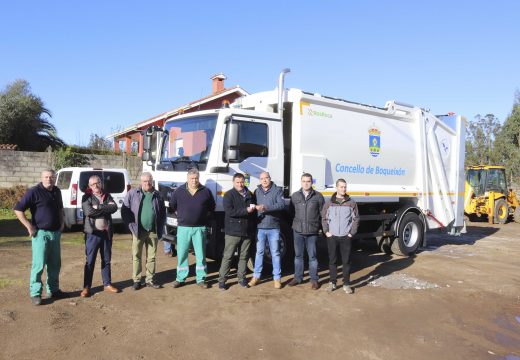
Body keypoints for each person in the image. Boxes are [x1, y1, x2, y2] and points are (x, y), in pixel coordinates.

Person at [14, 169, 67, 305]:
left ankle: (53, 290)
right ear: (42, 178)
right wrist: (29, 226)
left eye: (51, 177)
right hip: (40, 234)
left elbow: (60, 209)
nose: (49, 179)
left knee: (55, 264)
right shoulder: (34, 192)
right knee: (39, 265)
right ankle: (35, 293)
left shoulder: (57, 191)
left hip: (55, 233)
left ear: (55, 178)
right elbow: (18, 209)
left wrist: (61, 223)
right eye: (46, 177)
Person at [169, 168, 216, 289]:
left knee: (200, 255)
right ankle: (180, 278)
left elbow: (212, 207)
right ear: (187, 178)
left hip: (199, 228)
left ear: (199, 178)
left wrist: (203, 218)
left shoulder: (206, 191)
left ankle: (201, 279)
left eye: (196, 178)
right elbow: (172, 205)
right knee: (182, 254)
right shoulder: (179, 191)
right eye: (192, 178)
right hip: (183, 228)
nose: (194, 181)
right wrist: (180, 216)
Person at [122, 172, 166, 290]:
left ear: (152, 181)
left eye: (149, 181)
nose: (147, 183)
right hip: (138, 231)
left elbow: (162, 213)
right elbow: (125, 211)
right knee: (136, 256)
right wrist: (130, 226)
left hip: (153, 231)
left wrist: (160, 227)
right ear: (141, 182)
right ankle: (136, 280)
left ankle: (149, 280)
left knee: (151, 257)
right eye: (145, 181)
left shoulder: (158, 195)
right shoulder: (132, 194)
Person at [80, 175, 120, 297]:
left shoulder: (107, 195)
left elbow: (114, 208)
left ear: (101, 183)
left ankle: (107, 284)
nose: (95, 186)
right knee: (90, 261)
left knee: (106, 260)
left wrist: (99, 207)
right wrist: (105, 209)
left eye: (97, 183)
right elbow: (88, 212)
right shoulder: (86, 197)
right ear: (89, 186)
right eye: (92, 184)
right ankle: (86, 287)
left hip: (106, 233)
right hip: (93, 234)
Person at [217, 173, 256, 290]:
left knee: (244, 257)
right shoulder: (228, 195)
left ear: (245, 182)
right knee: (228, 256)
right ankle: (222, 280)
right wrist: (246, 210)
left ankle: (242, 279)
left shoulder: (250, 194)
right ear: (233, 183)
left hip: (247, 231)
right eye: (237, 182)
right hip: (232, 232)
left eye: (242, 182)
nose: (240, 184)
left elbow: (253, 213)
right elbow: (230, 212)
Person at [321, 178, 360, 294]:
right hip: (332, 236)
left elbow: (356, 219)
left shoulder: (351, 203)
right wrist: (326, 231)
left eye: (345, 187)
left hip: (345, 237)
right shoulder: (329, 203)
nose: (343, 189)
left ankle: (346, 284)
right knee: (332, 261)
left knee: (346, 261)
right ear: (336, 187)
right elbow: (324, 218)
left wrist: (351, 233)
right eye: (341, 187)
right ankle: (332, 282)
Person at [288, 173, 325, 290]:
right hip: (298, 231)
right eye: (304, 181)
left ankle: (314, 280)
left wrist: (321, 228)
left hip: (312, 232)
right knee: (298, 256)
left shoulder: (318, 196)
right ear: (301, 182)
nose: (306, 183)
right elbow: (291, 212)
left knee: (312, 256)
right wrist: (296, 224)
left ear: (312, 182)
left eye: (308, 181)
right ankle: (298, 278)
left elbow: (322, 214)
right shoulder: (295, 196)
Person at [249, 171, 285, 289]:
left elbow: (281, 205)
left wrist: (266, 208)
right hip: (260, 227)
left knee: (275, 253)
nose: (264, 180)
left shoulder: (277, 190)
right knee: (259, 253)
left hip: (273, 227)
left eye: (266, 178)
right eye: (262, 179)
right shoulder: (257, 191)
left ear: (270, 178)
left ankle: (277, 278)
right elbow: (252, 205)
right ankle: (256, 276)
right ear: (260, 180)